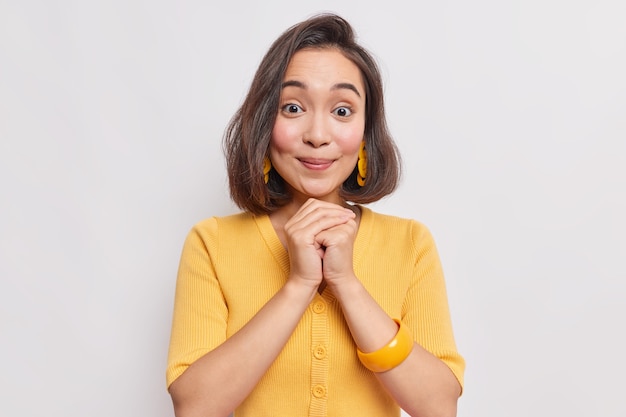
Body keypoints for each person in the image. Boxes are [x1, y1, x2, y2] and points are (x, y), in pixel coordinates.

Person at [166, 13, 465, 417]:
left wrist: (346, 283)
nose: (318, 134)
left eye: (342, 111)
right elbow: (195, 407)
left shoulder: (409, 244)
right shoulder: (213, 243)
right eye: (292, 107)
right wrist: (299, 283)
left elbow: (438, 405)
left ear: (365, 133)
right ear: (264, 125)